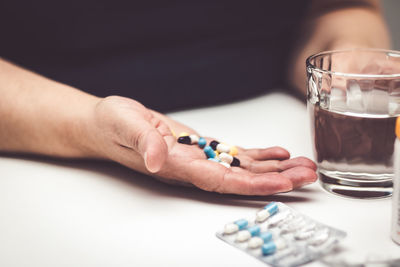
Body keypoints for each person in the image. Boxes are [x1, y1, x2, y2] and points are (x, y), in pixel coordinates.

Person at [0, 0, 390, 195]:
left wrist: (348, 61)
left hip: (282, 116)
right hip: (44, 153)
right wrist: (87, 124)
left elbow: (342, 8)